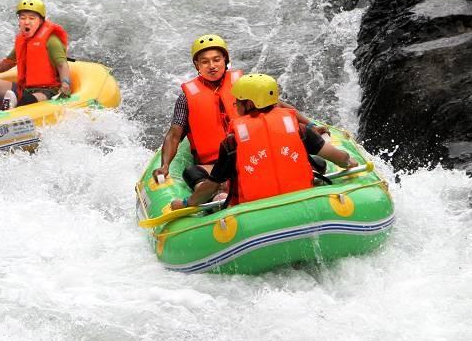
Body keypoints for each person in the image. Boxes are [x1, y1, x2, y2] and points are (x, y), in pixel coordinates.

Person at [153, 34, 322, 193]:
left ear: (225, 60)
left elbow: (280, 108)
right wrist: (165, 165)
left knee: (318, 162)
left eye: (216, 60)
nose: (211, 66)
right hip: (217, 165)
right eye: (204, 62)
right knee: (191, 173)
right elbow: (174, 135)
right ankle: (217, 193)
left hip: (255, 155)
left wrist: (311, 125)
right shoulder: (186, 99)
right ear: (197, 65)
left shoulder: (245, 86)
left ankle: (305, 177)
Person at [170, 73, 356, 210]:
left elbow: (209, 187)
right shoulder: (299, 130)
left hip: (256, 212)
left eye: (238, 102)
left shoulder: (232, 143)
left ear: (249, 104)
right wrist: (349, 162)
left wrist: (186, 203)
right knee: (318, 163)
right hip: (301, 201)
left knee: (204, 179)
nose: (235, 105)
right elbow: (337, 157)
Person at [0, 0, 71, 109]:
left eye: (32, 18)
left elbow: (62, 64)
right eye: (23, 18)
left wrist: (65, 84)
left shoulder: (51, 40)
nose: (26, 22)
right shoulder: (23, 41)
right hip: (25, 88)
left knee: (24, 101)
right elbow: (7, 63)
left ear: (41, 21)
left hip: (49, 91)